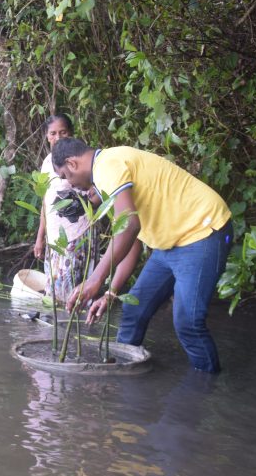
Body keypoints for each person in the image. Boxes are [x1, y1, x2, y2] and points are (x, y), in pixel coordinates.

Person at [52, 138, 233, 373]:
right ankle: (121, 373)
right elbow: (131, 243)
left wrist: (94, 280)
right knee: (134, 309)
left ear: (72, 163)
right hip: (169, 244)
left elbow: (128, 227)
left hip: (203, 232)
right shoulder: (109, 177)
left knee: (188, 322)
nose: (72, 185)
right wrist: (110, 292)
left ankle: (206, 388)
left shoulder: (106, 166)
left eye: (66, 176)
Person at [32, 114, 95, 303]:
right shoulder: (46, 163)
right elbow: (46, 202)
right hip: (55, 238)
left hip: (77, 234)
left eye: (63, 132)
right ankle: (56, 331)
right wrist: (40, 238)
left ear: (71, 134)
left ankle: (76, 328)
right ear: (46, 136)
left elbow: (95, 193)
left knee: (74, 290)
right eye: (53, 133)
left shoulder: (80, 161)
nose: (58, 137)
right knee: (54, 292)